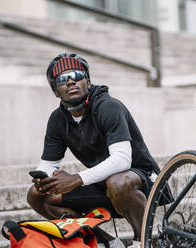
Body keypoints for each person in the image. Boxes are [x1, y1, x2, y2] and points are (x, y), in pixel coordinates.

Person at [27, 53, 161, 248]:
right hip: (102, 183)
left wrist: (75, 179)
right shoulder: (57, 119)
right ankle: (106, 242)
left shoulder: (108, 107)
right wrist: (43, 180)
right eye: (63, 79)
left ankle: (142, 241)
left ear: (88, 82)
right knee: (36, 195)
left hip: (140, 180)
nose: (71, 81)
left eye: (77, 75)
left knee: (118, 182)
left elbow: (122, 160)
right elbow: (49, 163)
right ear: (56, 91)